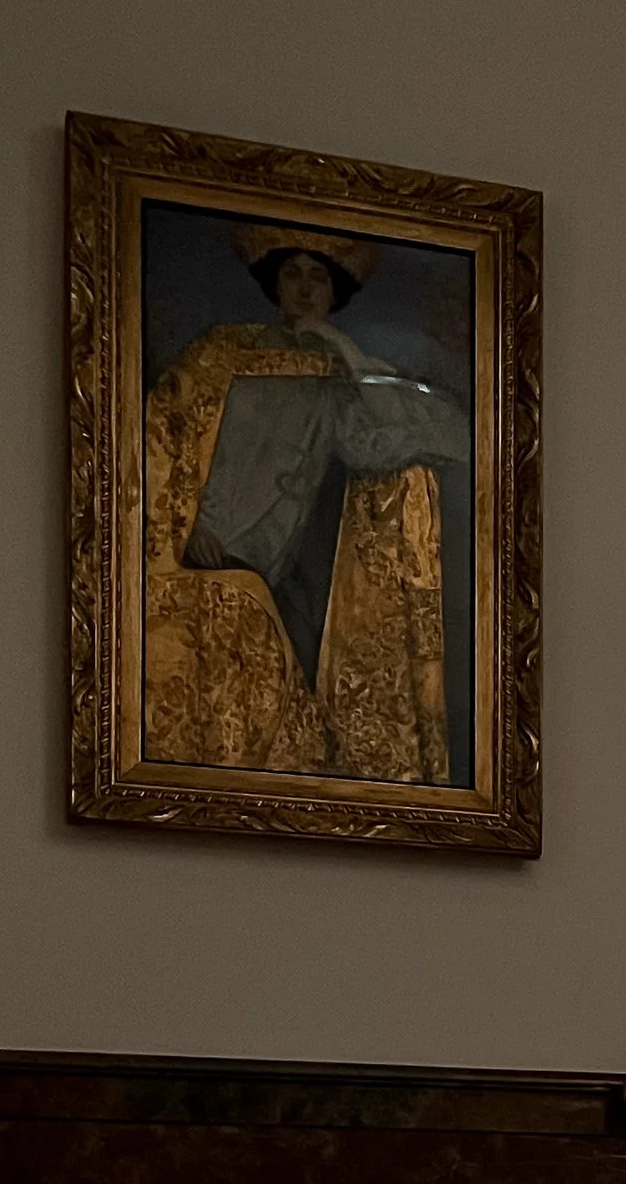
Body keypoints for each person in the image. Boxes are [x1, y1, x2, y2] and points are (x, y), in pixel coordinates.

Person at [143, 222, 471, 781]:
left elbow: (414, 436)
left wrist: (341, 352)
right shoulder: (223, 352)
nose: (302, 287)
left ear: (333, 290)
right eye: (291, 273)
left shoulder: (343, 363)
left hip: (312, 544)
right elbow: (168, 434)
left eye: (316, 276)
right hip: (220, 542)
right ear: (274, 284)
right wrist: (190, 526)